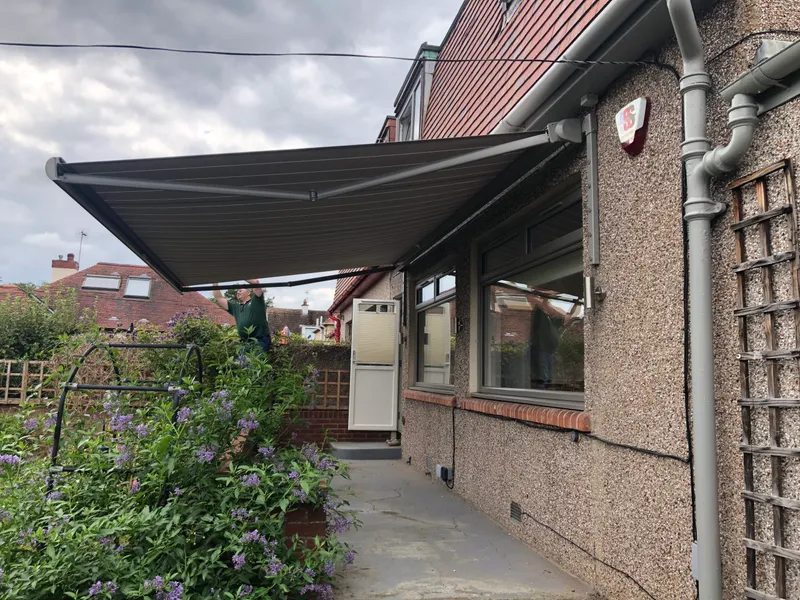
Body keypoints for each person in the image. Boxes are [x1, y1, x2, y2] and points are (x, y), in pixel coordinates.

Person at [529, 292, 579, 389]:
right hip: (541, 350)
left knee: (548, 377)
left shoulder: (553, 321)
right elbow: (542, 306)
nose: (552, 309)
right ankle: (542, 392)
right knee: (542, 376)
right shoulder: (540, 316)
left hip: (549, 352)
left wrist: (576, 303)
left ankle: (546, 388)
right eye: (550, 307)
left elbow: (569, 316)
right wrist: (548, 297)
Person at [213, 280, 271, 353]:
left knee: (257, 360)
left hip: (260, 341)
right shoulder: (235, 307)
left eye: (240, 290)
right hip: (244, 343)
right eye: (237, 291)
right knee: (243, 361)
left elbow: (256, 282)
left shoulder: (257, 301)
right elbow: (219, 298)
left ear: (248, 293)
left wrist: (240, 274)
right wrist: (214, 281)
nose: (238, 292)